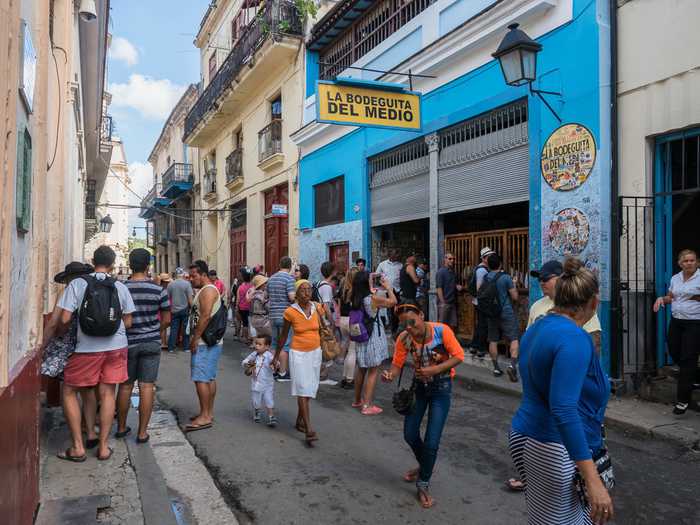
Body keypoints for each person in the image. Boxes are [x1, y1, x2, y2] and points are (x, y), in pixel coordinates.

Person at [509, 257, 613, 525]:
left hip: (529, 435)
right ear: (593, 301)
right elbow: (564, 409)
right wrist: (593, 479)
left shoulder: (538, 327)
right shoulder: (575, 338)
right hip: (552, 446)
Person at [55, 245, 135, 462]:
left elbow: (63, 319)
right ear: (111, 263)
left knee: (70, 391)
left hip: (86, 349)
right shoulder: (120, 286)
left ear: (92, 260)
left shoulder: (79, 284)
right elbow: (128, 321)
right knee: (107, 394)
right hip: (116, 347)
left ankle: (78, 447)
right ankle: (103, 447)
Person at [381, 303, 464, 509]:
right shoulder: (404, 338)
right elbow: (397, 364)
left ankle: (423, 483)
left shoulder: (441, 331)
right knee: (410, 434)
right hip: (418, 389)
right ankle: (426, 465)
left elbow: (459, 356)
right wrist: (390, 374)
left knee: (432, 441)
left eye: (412, 321)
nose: (409, 327)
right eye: (404, 324)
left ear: (421, 315)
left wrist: (434, 370)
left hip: (441, 389)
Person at [38, 262, 98, 450]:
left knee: (68, 391)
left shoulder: (69, 292)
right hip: (90, 346)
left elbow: (56, 322)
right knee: (87, 390)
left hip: (69, 349)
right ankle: (91, 432)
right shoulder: (93, 291)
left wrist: (42, 346)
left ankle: (77, 441)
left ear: (68, 278)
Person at [116, 249, 171, 443]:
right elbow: (167, 319)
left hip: (127, 343)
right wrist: (155, 330)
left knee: (125, 386)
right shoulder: (159, 290)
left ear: (130, 265)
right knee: (147, 386)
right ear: (148, 265)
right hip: (151, 342)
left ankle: (121, 427)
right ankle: (142, 433)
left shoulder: (121, 288)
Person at [273, 280, 330, 446]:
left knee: (310, 389)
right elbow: (283, 336)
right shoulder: (290, 312)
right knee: (302, 389)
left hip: (315, 353)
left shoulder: (317, 308)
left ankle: (299, 421)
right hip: (298, 354)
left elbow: (324, 326)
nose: (307, 293)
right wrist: (276, 355)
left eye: (309, 290)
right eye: (303, 290)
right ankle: (309, 429)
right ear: (296, 294)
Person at [654, 249, 700, 414]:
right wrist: (662, 299)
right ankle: (694, 377)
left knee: (688, 357)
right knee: (674, 350)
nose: (689, 263)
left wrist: (696, 296)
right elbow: (671, 296)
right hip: (677, 321)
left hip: (694, 322)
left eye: (692, 260)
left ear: (697, 262)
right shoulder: (676, 278)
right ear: (680, 263)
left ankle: (683, 400)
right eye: (686, 261)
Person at [351, 272, 397, 415]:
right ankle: (367, 405)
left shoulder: (355, 298)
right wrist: (388, 288)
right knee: (373, 370)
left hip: (361, 335)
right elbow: (393, 302)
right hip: (372, 336)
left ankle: (357, 400)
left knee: (362, 368)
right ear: (366, 283)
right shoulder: (372, 299)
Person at [186, 260, 223, 432]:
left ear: (203, 275)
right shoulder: (206, 290)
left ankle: (205, 416)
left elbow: (205, 316)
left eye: (194, 276)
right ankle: (207, 412)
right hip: (208, 342)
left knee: (201, 378)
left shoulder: (208, 290)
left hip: (203, 343)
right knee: (208, 377)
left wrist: (195, 338)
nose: (191, 279)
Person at [483, 253, 520, 381]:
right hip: (506, 311)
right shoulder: (506, 277)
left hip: (492, 312)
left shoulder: (486, 277)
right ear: (500, 263)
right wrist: (514, 284)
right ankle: (512, 365)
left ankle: (496, 368)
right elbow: (515, 297)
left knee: (493, 339)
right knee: (514, 338)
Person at [268, 257, 296, 382]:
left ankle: (273, 371)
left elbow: (265, 296)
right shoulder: (289, 279)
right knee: (285, 344)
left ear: (279, 265)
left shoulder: (271, 278)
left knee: (274, 344)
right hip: (285, 315)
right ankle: (283, 373)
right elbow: (291, 297)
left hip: (273, 315)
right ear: (290, 266)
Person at [242, 335, 277, 427]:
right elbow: (244, 361)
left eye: (259, 344)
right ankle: (257, 411)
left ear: (267, 346)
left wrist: (275, 365)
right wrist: (248, 363)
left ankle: (271, 416)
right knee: (256, 401)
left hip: (268, 384)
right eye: (256, 344)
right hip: (256, 383)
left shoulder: (269, 356)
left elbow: (276, 363)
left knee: (269, 399)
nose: (256, 346)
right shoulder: (254, 354)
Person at [468, 247, 494, 358]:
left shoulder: (481, 268)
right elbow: (479, 288)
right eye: (489, 257)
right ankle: (480, 348)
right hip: (481, 302)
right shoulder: (482, 270)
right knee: (483, 325)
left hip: (479, 301)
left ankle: (474, 345)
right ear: (484, 258)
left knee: (480, 325)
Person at [316, 261, 338, 386]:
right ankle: (323, 375)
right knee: (327, 347)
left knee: (321, 347)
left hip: (318, 320)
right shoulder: (327, 287)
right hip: (324, 321)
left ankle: (319, 373)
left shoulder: (319, 283)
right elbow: (326, 306)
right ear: (332, 272)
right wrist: (332, 321)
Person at [338, 266, 360, 389]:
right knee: (352, 351)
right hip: (353, 321)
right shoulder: (357, 290)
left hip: (342, 320)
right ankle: (350, 379)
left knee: (347, 350)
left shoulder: (343, 289)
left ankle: (345, 377)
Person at [377, 249, 403, 333]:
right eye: (395, 254)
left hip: (397, 290)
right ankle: (389, 327)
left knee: (396, 310)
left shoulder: (400, 265)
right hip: (386, 291)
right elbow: (377, 276)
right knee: (387, 310)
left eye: (397, 255)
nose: (397, 256)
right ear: (390, 255)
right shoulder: (382, 264)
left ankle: (395, 328)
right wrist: (381, 282)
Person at [168, 267, 193, 353]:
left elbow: (168, 298)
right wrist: (193, 308)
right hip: (185, 309)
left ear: (176, 274)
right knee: (186, 328)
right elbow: (190, 299)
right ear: (182, 274)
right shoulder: (187, 284)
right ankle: (186, 347)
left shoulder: (171, 284)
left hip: (174, 309)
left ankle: (171, 347)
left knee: (174, 328)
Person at [436, 252, 463, 332]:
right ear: (445, 259)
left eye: (453, 259)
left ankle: (448, 343)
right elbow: (439, 288)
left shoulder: (453, 272)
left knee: (452, 325)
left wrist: (457, 286)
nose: (452, 261)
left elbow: (453, 284)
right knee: (442, 325)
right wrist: (443, 302)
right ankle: (440, 344)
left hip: (452, 302)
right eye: (450, 259)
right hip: (445, 303)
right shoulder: (441, 272)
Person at [237, 269, 254, 344]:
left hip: (242, 307)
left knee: (245, 323)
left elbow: (238, 298)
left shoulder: (240, 287)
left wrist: (237, 307)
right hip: (250, 307)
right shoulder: (252, 286)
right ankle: (251, 338)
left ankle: (245, 338)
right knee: (251, 323)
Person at [158, 272, 172, 350]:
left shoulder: (165, 289)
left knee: (164, 325)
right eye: (166, 282)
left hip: (164, 309)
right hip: (162, 310)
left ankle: (163, 342)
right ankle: (163, 342)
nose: (168, 283)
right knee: (163, 325)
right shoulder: (162, 289)